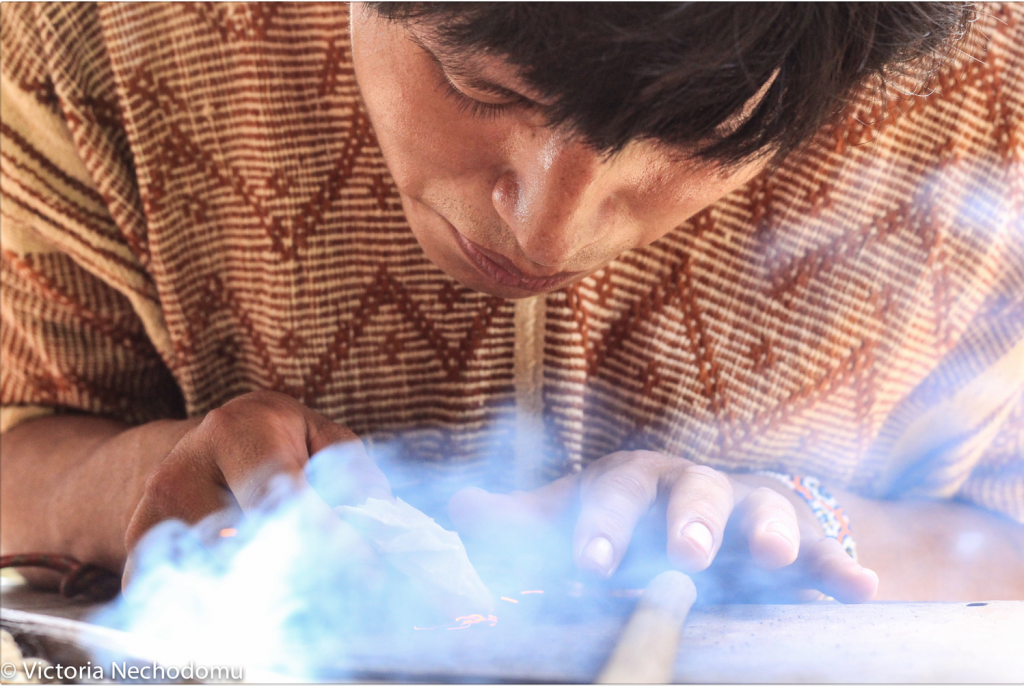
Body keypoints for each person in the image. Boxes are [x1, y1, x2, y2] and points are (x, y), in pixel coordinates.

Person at [1, 2, 1021, 604]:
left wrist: (801, 533)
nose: (546, 230)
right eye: (475, 84)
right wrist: (132, 476)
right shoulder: (101, 27)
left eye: (700, 135)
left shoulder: (991, 80)